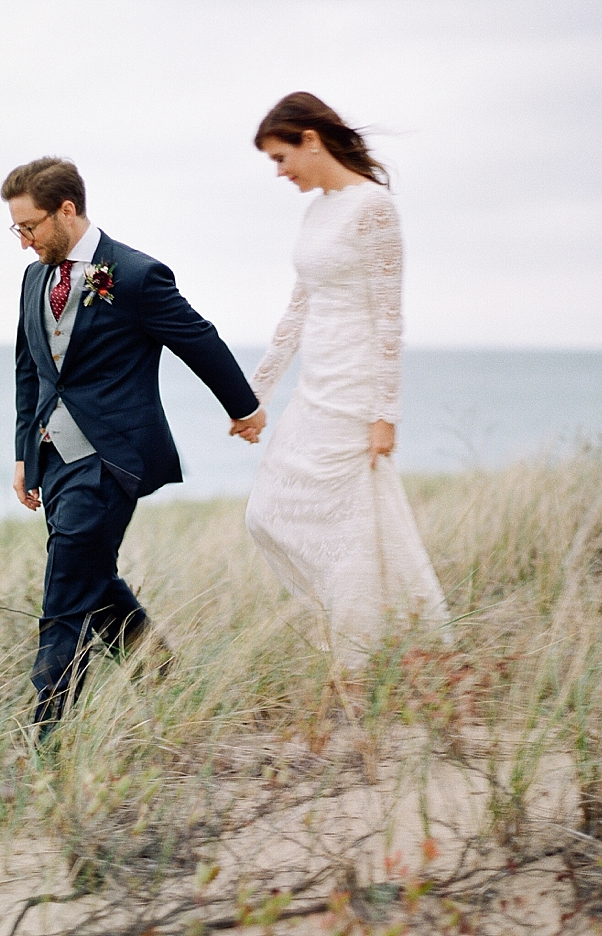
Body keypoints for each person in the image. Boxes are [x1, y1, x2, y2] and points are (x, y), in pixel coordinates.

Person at [4, 157, 265, 740]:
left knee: (65, 591)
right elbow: (30, 369)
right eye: (16, 230)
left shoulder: (137, 275)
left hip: (112, 457)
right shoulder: (33, 278)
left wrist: (243, 408)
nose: (24, 241)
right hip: (54, 456)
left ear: (67, 210)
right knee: (91, 577)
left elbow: (198, 339)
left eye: (31, 227)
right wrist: (24, 451)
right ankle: (163, 677)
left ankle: (49, 740)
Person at [242, 93, 448, 666]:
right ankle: (366, 636)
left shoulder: (373, 208)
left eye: (282, 158)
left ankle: (360, 661)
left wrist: (386, 414)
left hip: (356, 387)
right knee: (267, 513)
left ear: (312, 138)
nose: (280, 173)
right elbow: (296, 311)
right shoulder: (316, 211)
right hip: (316, 382)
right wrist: (255, 395)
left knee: (351, 525)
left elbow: (389, 318)